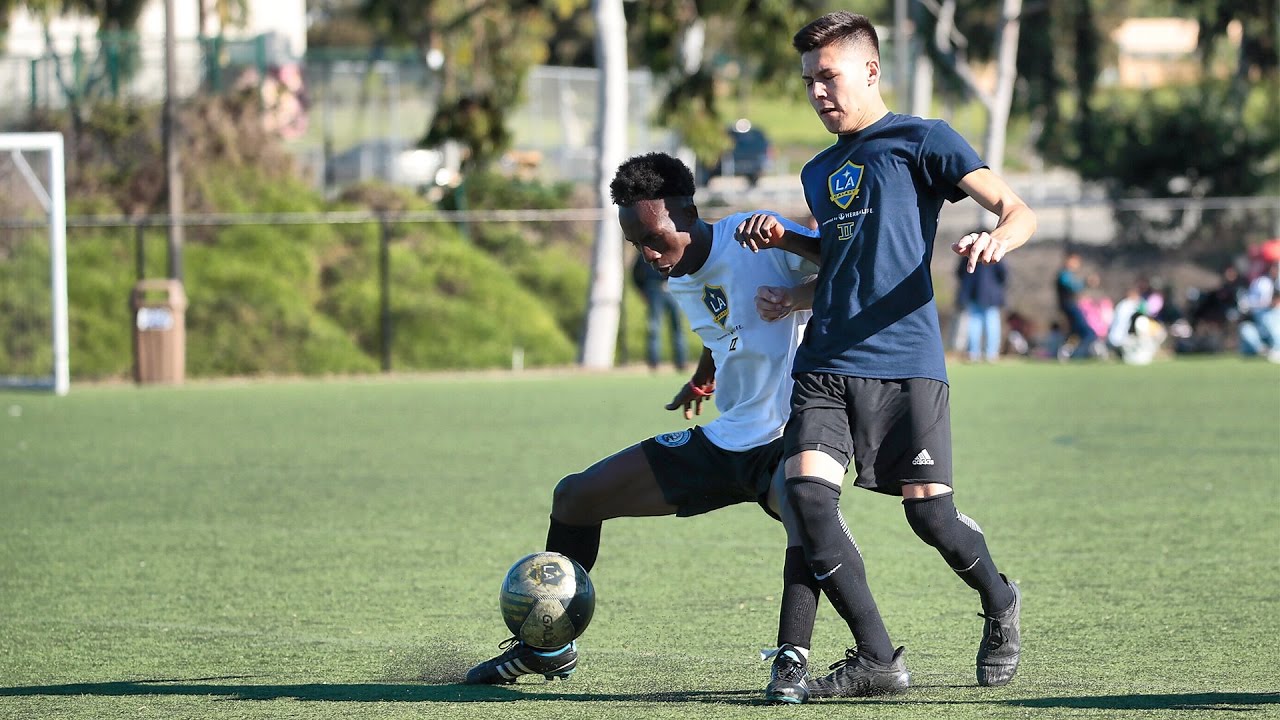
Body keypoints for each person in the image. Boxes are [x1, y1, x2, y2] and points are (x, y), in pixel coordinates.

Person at [735, 11, 1035, 696]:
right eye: (809, 81)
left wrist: (998, 240)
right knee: (806, 497)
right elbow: (846, 252)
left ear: (869, 71)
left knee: (929, 515)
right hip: (826, 363)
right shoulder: (819, 170)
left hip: (906, 361)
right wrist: (788, 247)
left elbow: (1017, 209)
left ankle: (998, 598)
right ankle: (877, 658)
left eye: (828, 77)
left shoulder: (922, 140)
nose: (817, 93)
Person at [465, 152, 827, 703]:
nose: (650, 255)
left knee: (804, 512)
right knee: (576, 496)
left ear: (687, 211)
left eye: (656, 238)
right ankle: (548, 647)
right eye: (636, 245)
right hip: (726, 440)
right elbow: (720, 327)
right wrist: (703, 377)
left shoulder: (755, 239)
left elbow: (847, 266)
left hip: (788, 438)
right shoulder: (678, 273)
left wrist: (790, 242)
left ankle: (791, 662)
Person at [632, 252, 689, 371]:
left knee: (677, 327)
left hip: (672, 288)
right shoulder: (645, 250)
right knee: (654, 328)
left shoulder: (669, 244)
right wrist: (643, 291)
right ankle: (654, 363)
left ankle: (681, 362)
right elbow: (636, 273)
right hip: (654, 289)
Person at [956, 252, 1009, 362]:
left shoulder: (969, 252)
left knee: (975, 324)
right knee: (991, 324)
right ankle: (991, 353)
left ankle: (973, 353)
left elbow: (960, 273)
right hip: (991, 295)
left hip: (973, 293)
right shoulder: (994, 251)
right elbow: (1004, 273)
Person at [1056, 251, 1099, 359]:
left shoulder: (1068, 274)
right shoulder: (1064, 274)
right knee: (1088, 332)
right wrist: (1086, 282)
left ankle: (1066, 353)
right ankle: (1081, 353)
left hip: (1069, 306)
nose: (1077, 264)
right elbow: (1073, 286)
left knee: (1075, 333)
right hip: (1069, 306)